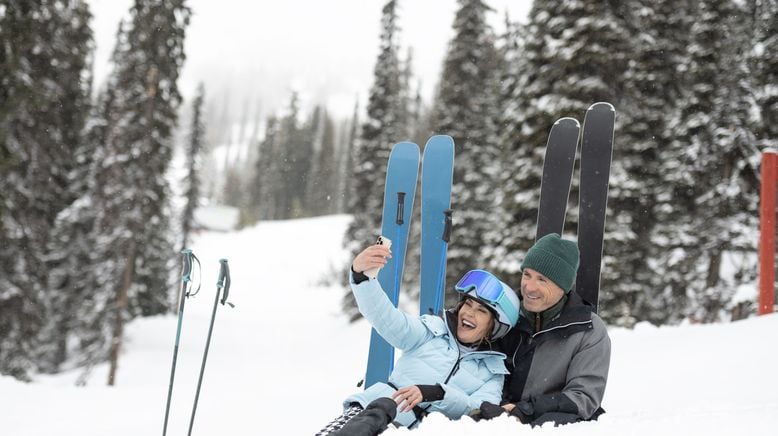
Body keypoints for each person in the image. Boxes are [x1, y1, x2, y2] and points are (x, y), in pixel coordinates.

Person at [316, 243, 521, 436]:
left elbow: (478, 411)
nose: (468, 313)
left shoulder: (492, 371)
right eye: (467, 304)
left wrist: (437, 393)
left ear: (494, 327)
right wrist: (362, 277)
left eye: (481, 311)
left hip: (415, 431)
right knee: (378, 412)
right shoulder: (431, 331)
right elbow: (387, 318)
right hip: (371, 412)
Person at [476, 233, 611, 427]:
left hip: (549, 422)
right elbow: (477, 370)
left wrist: (524, 411)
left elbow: (584, 397)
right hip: (496, 414)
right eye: (527, 275)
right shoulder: (503, 315)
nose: (529, 287)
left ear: (562, 286)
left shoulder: (588, 329)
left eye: (542, 280)